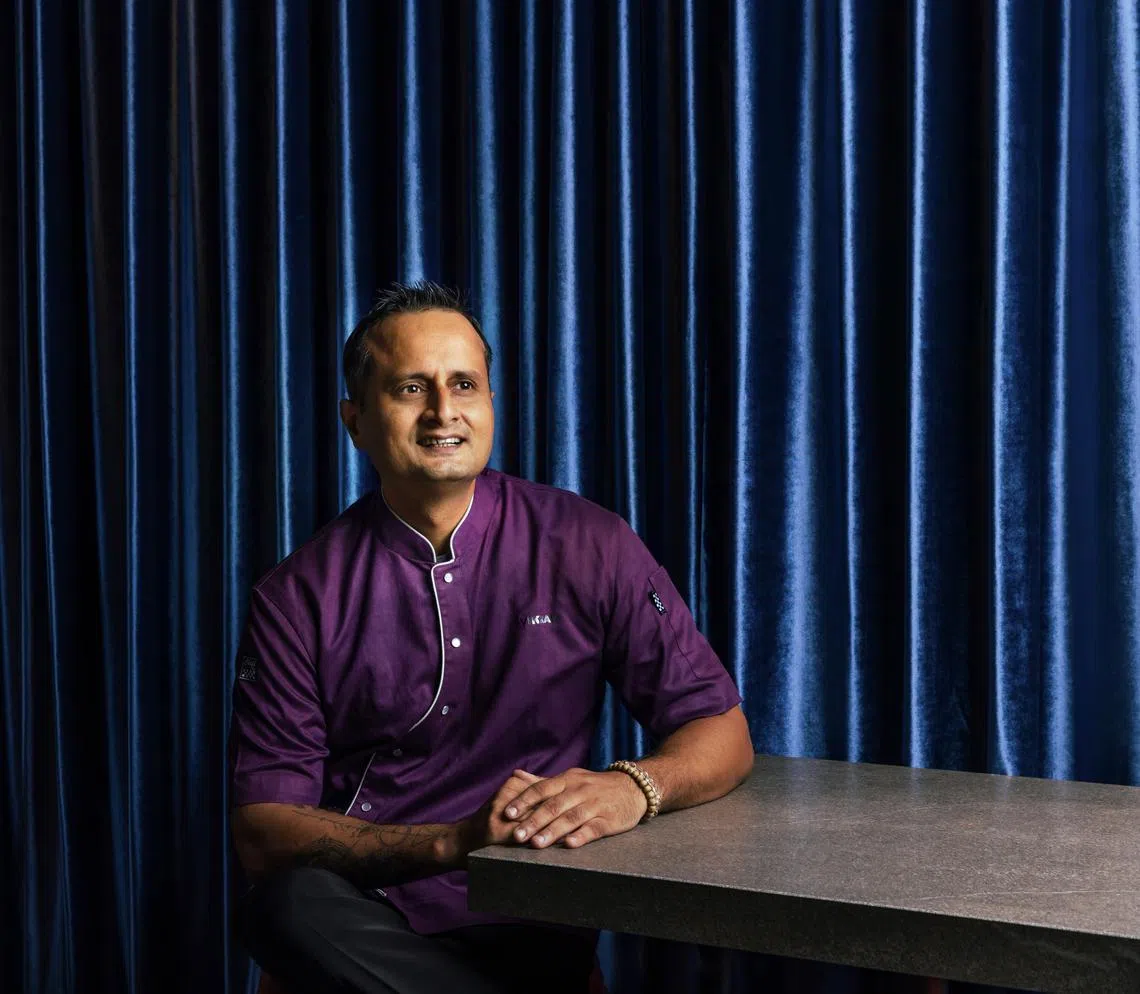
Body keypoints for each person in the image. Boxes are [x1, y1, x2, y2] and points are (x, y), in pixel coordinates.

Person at [228, 281, 754, 994]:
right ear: (356, 421)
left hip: (534, 908)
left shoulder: (589, 543)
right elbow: (263, 830)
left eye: (464, 384)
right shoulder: (297, 596)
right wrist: (455, 841)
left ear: (490, 405)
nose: (443, 411)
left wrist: (634, 788)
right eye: (411, 388)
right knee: (285, 906)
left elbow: (721, 730)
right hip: (370, 921)